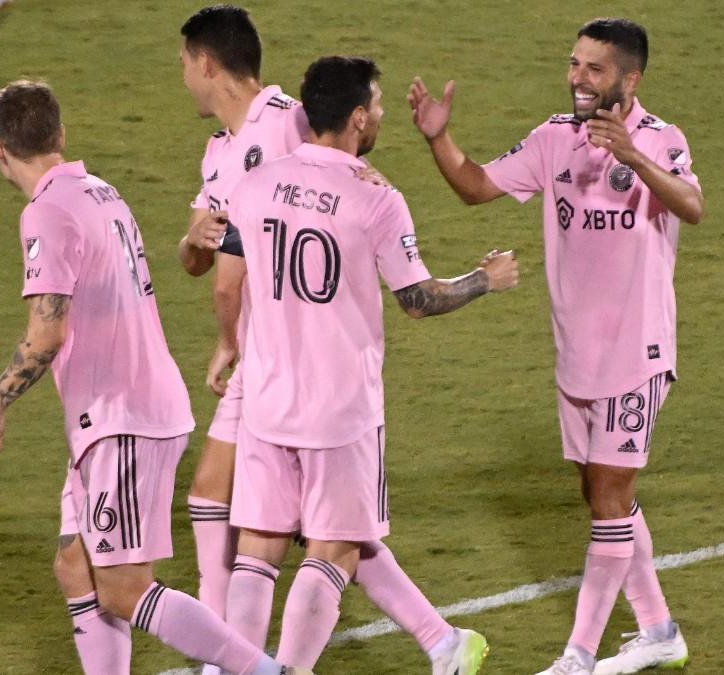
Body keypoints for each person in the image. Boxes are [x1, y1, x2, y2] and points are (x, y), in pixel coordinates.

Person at [175, 7, 491, 674]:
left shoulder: (255, 186)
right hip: (339, 406)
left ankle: (237, 666)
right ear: (355, 120)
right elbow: (417, 299)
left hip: (268, 397)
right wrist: (485, 279)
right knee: (335, 549)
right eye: (375, 108)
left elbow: (223, 263)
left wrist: (226, 329)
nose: (378, 117)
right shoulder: (375, 197)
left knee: (257, 549)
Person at [0, 79, 311, 675]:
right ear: (60, 134)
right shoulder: (101, 192)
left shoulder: (46, 213)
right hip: (114, 415)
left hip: (121, 419)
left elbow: (46, 333)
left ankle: (264, 672)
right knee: (76, 566)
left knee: (125, 588)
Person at [407, 17, 703, 675]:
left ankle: (577, 656)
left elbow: (691, 205)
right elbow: (476, 185)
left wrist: (632, 157)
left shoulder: (661, 139)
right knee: (605, 497)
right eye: (574, 64)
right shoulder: (555, 139)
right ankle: (658, 628)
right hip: (577, 358)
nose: (577, 77)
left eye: (593, 69)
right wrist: (439, 139)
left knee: (608, 499)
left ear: (629, 79)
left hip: (637, 352)